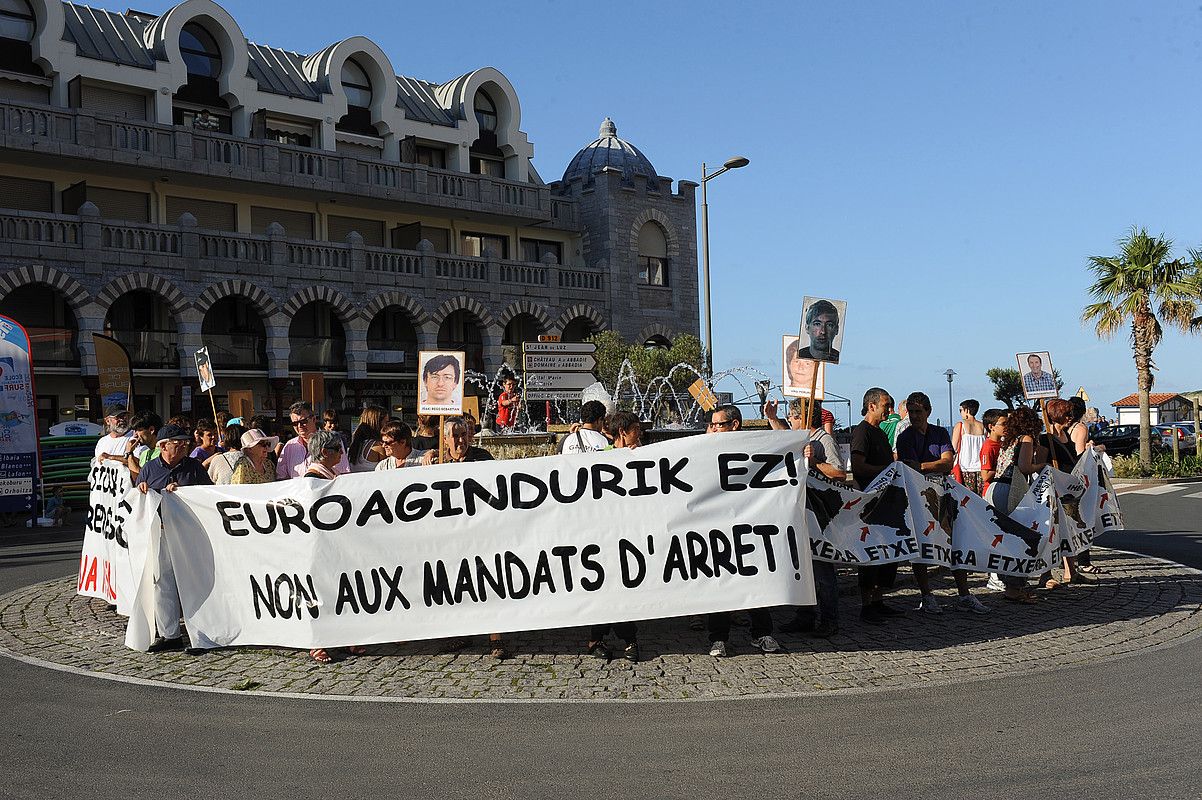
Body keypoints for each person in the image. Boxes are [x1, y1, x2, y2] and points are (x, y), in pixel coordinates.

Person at [896, 392, 990, 615]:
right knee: (921, 546)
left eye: (918, 411)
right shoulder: (905, 437)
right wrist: (931, 465)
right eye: (911, 412)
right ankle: (927, 595)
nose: (915, 416)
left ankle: (964, 594)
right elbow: (909, 466)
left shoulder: (939, 433)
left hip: (944, 494)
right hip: (917, 497)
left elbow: (947, 463)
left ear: (928, 411)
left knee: (956, 542)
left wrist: (923, 466)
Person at [702, 405, 783, 656]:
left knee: (754, 579)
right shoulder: (705, 449)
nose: (713, 428)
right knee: (720, 583)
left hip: (748, 526)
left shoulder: (753, 444)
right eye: (712, 424)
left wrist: (772, 419)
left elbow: (785, 441)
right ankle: (718, 638)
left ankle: (762, 634)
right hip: (717, 526)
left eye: (718, 424)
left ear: (734, 425)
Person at [765, 398, 843, 638]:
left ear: (804, 418)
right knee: (803, 567)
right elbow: (784, 437)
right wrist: (772, 418)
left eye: (792, 416)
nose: (790, 420)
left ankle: (829, 619)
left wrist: (816, 462)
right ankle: (805, 615)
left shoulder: (823, 440)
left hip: (819, 514)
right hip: (802, 512)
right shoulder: (801, 438)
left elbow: (839, 473)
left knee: (822, 570)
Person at [135, 424, 213, 652]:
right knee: (162, 583)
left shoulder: (194, 467)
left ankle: (202, 633)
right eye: (177, 444)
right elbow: (136, 501)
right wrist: (141, 489)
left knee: (194, 581)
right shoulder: (149, 469)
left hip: (189, 534)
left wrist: (184, 494)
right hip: (160, 532)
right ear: (162, 446)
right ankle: (170, 635)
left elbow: (208, 495)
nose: (183, 447)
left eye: (185, 444)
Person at [584, 410, 644, 663]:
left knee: (625, 590)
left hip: (630, 534)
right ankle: (599, 639)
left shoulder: (645, 456)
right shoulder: (602, 458)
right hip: (605, 537)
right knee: (605, 591)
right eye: (636, 430)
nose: (640, 434)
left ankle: (626, 638)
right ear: (622, 433)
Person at [850, 388, 903, 624]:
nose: (889, 411)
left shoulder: (880, 433)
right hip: (869, 502)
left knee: (887, 553)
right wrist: (886, 471)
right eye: (885, 405)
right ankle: (866, 604)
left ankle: (879, 599)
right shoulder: (862, 433)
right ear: (872, 406)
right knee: (870, 554)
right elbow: (859, 466)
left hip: (886, 502)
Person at [986, 406, 1047, 601]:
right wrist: (1043, 466)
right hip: (1010, 491)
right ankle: (1014, 587)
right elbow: (1025, 467)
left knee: (1004, 538)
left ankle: (1006, 582)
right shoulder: (1026, 439)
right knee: (1019, 539)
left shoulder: (1008, 440)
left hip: (995, 488)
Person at [278, 402, 349, 479]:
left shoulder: (330, 441)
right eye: (295, 423)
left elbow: (344, 472)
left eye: (303, 421)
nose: (299, 426)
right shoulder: (289, 446)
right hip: (298, 490)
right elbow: (282, 477)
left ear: (314, 419)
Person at [952, 399, 987, 494]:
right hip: (981, 468)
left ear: (966, 410)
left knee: (967, 499)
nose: (960, 413)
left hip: (965, 467)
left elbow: (954, 448)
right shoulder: (983, 426)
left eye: (961, 410)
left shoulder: (961, 425)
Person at [348, 405, 388, 473]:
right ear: (377, 423)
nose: (387, 426)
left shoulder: (356, 444)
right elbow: (387, 471)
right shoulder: (378, 446)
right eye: (386, 422)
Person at [124, 410, 162, 476]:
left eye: (138, 430)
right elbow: (136, 478)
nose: (135, 435)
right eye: (134, 431)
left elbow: (143, 476)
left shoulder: (163, 453)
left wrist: (129, 453)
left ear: (151, 430)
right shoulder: (144, 454)